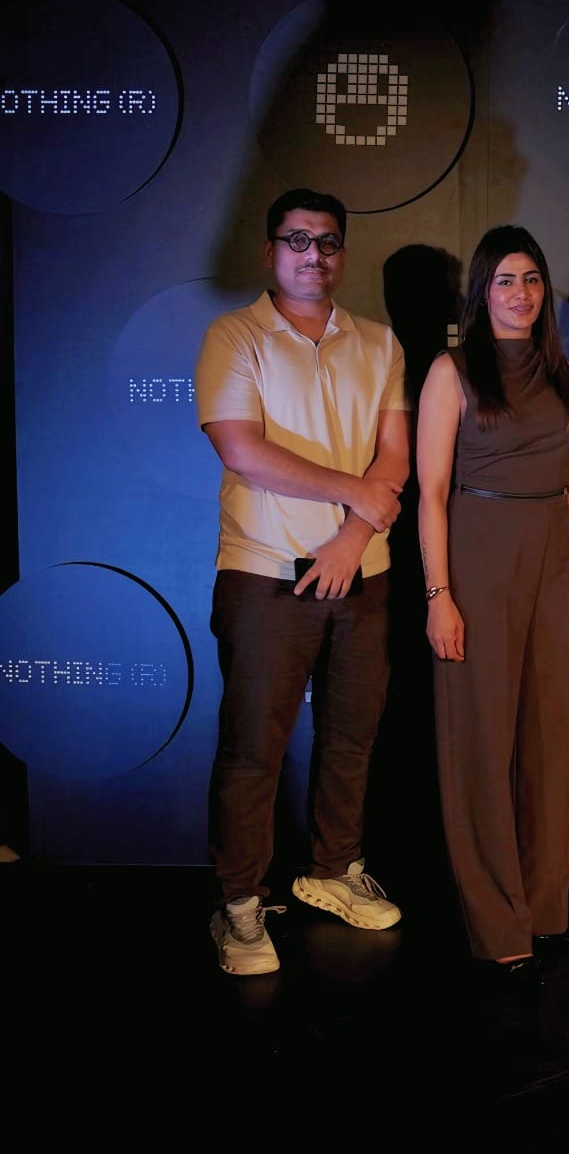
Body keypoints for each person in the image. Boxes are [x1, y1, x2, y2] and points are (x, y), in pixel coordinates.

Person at [196, 188, 409, 976]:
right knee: (252, 749)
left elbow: (395, 454)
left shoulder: (379, 343)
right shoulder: (234, 335)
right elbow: (241, 448)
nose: (312, 254)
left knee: (352, 737)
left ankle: (332, 870)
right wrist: (354, 494)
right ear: (270, 251)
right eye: (296, 239)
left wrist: (353, 537)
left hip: (366, 574)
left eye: (326, 241)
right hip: (265, 576)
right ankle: (239, 903)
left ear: (341, 253)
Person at [415, 225, 569, 972]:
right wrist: (439, 594)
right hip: (477, 556)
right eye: (505, 280)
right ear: (482, 291)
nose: (521, 293)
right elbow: (431, 494)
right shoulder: (452, 371)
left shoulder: (566, 376)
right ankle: (497, 919)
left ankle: (543, 905)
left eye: (531, 279)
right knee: (481, 739)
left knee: (547, 739)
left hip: (551, 562)